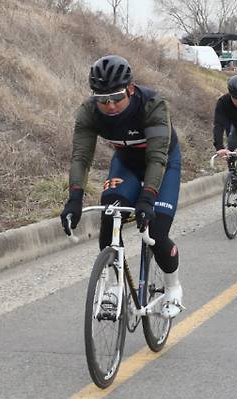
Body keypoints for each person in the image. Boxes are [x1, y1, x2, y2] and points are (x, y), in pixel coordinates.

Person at [60, 55, 184, 318]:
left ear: (130, 88)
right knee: (110, 215)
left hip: (163, 163)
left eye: (116, 97)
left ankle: (173, 288)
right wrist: (74, 199)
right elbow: (81, 157)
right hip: (126, 164)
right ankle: (114, 287)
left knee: (156, 233)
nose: (110, 105)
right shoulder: (89, 111)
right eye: (103, 100)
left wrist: (148, 197)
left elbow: (157, 157)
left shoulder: (152, 105)